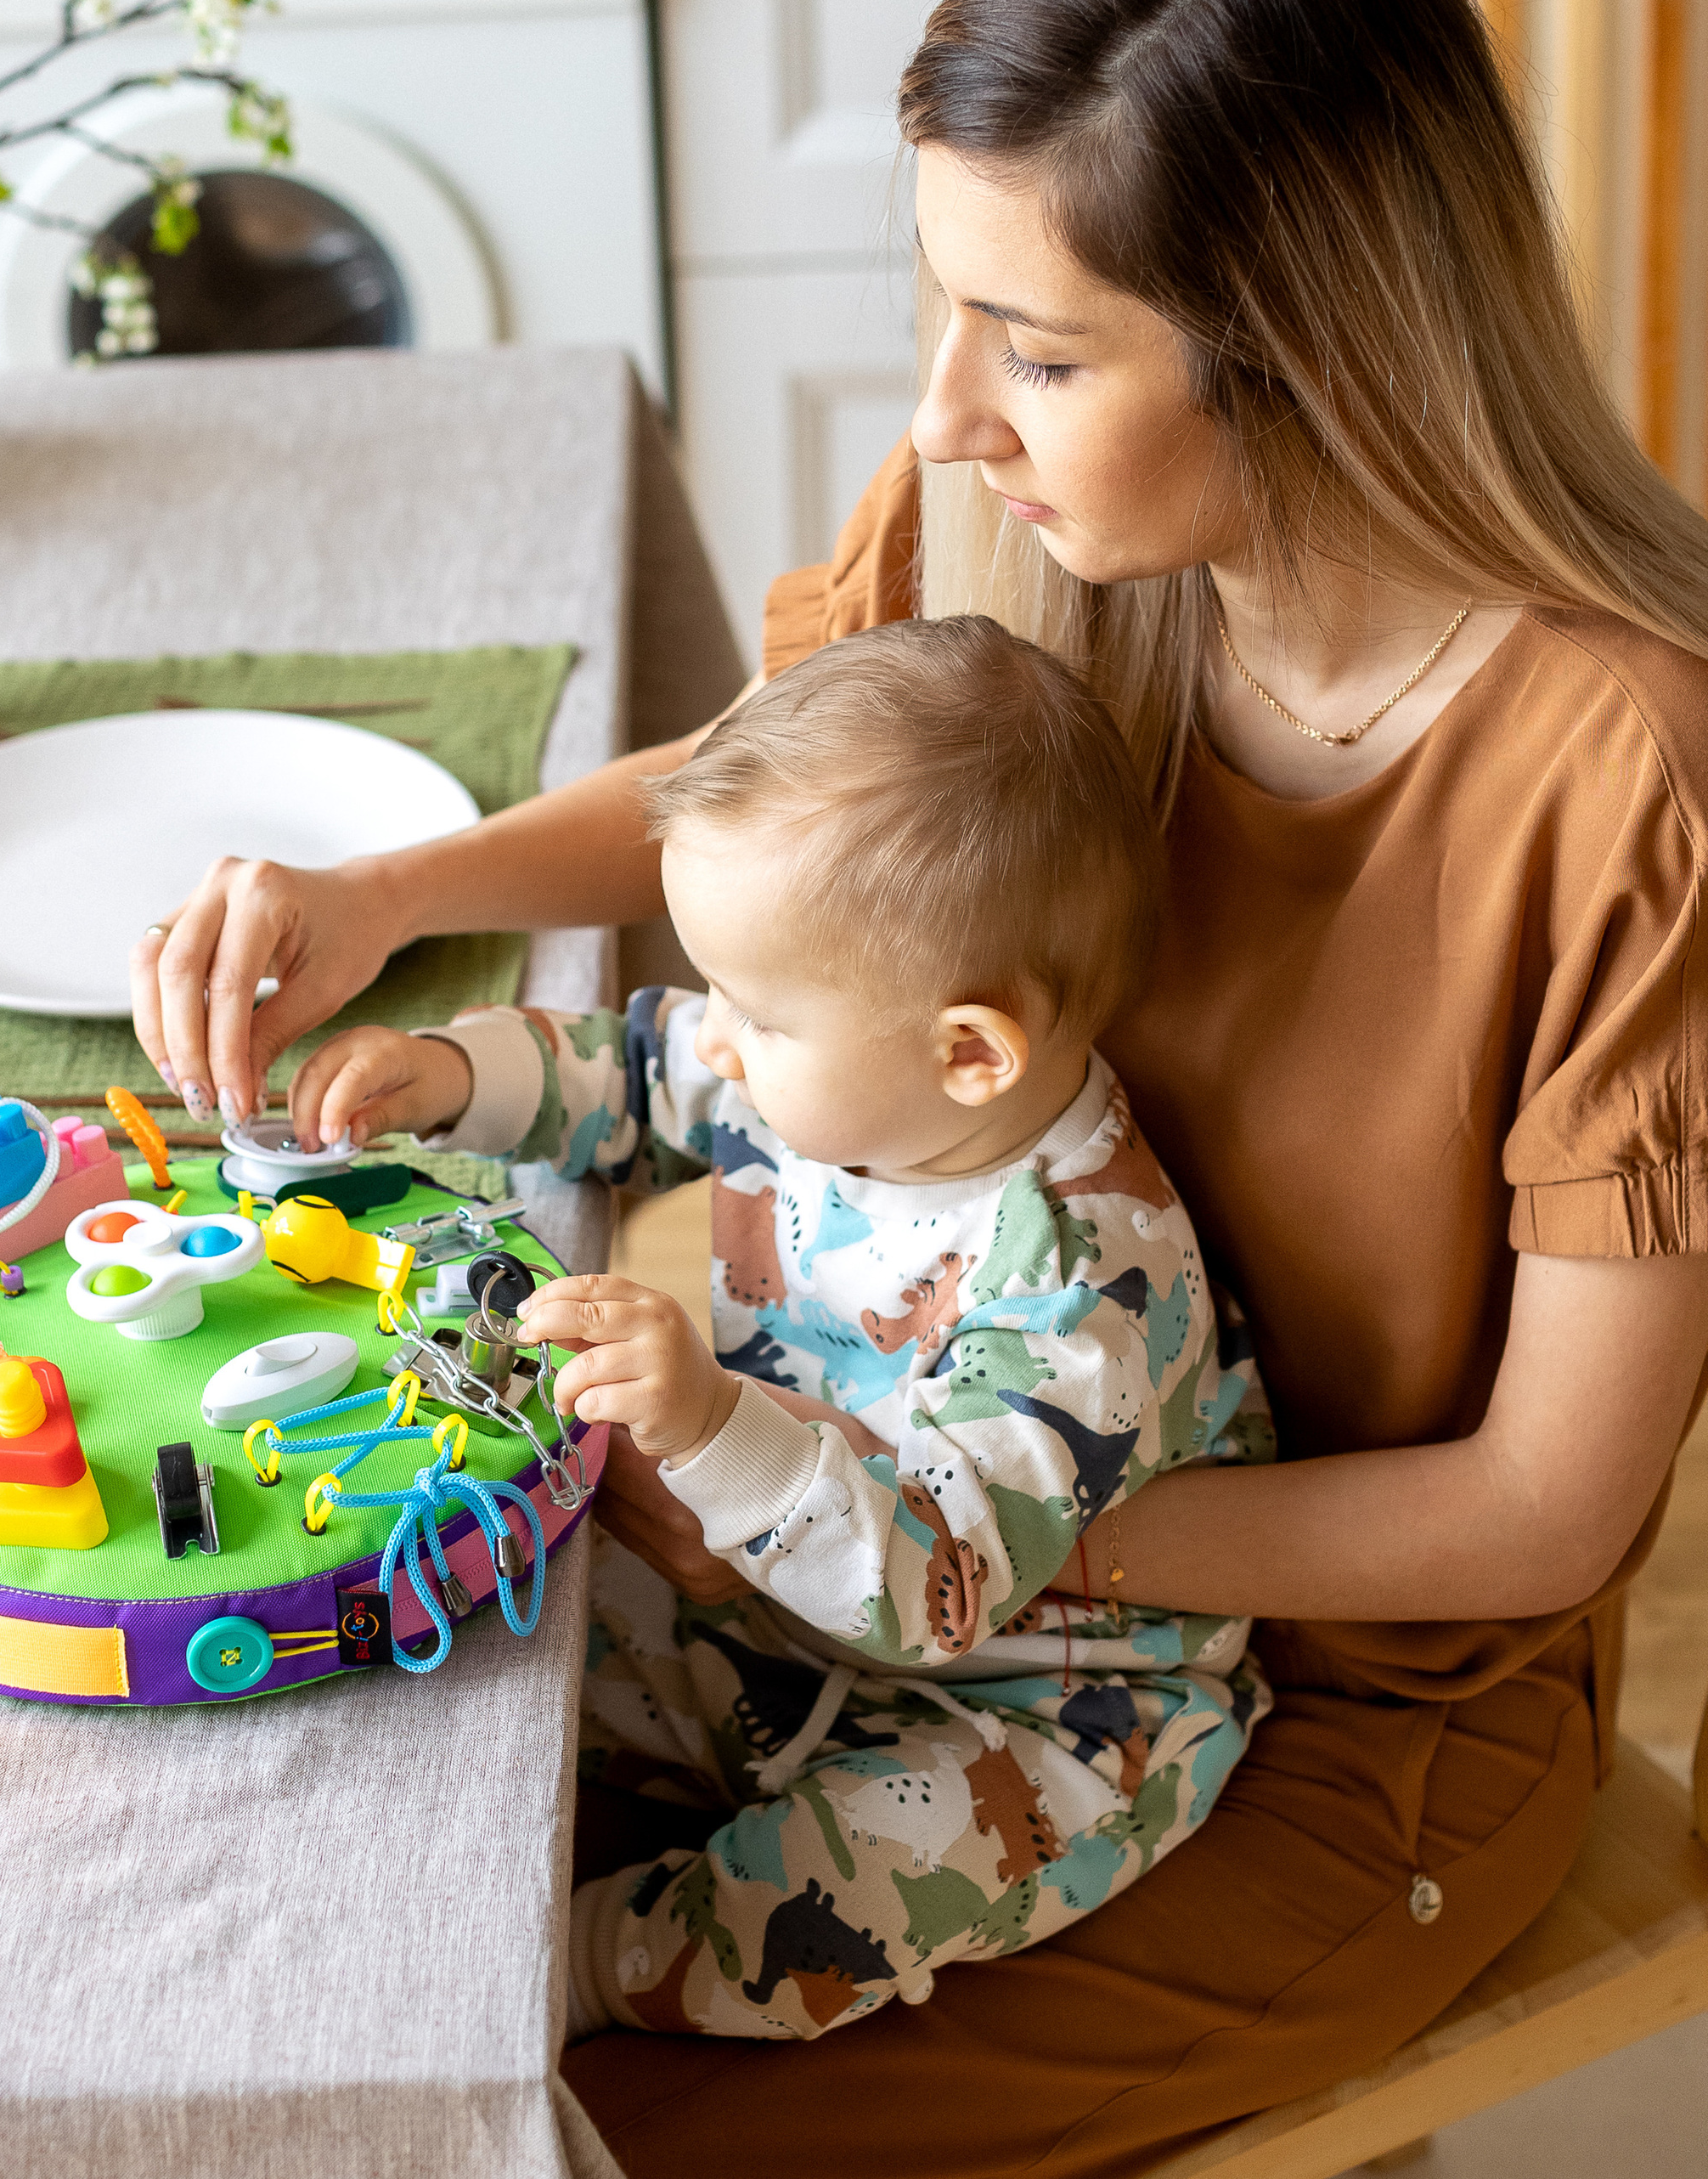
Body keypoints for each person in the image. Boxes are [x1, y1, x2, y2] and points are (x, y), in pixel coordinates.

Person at [134, 0, 1708, 2176]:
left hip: (1305, 1717)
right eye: (948, 307)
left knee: (524, 2107)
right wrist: (400, 890)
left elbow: (1538, 1508)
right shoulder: (1039, 522)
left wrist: (895, 1517)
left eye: (1043, 349)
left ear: (1311, 352)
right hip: (865, 1547)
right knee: (364, 1846)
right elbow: (792, 804)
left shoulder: (1628, 780)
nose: (953, 409)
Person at [284, 617, 1271, 2042]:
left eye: (753, 1010)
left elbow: (929, 1580)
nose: (721, 1036)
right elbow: (635, 1066)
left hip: (1033, 1703)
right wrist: (450, 1073)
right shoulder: (856, 1066)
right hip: (773, 1595)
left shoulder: (1086, 1295)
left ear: (971, 1049)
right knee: (491, 1603)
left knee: (806, 1913)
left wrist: (707, 1425)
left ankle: (567, 1975)